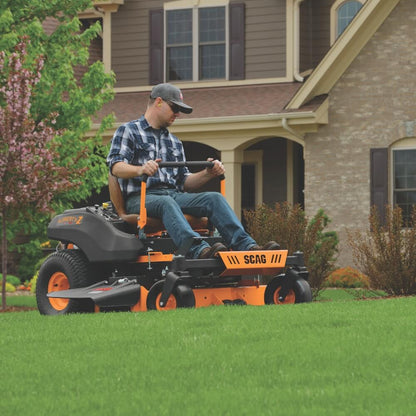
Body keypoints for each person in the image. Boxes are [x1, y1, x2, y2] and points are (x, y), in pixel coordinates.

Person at [107, 83, 279, 259]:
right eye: (174, 108)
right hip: (140, 198)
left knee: (214, 198)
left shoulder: (174, 142)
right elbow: (115, 166)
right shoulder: (129, 131)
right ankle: (198, 250)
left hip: (173, 195)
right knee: (166, 202)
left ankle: (247, 246)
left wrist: (207, 173)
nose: (177, 114)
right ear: (158, 102)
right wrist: (140, 169)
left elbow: (184, 182)